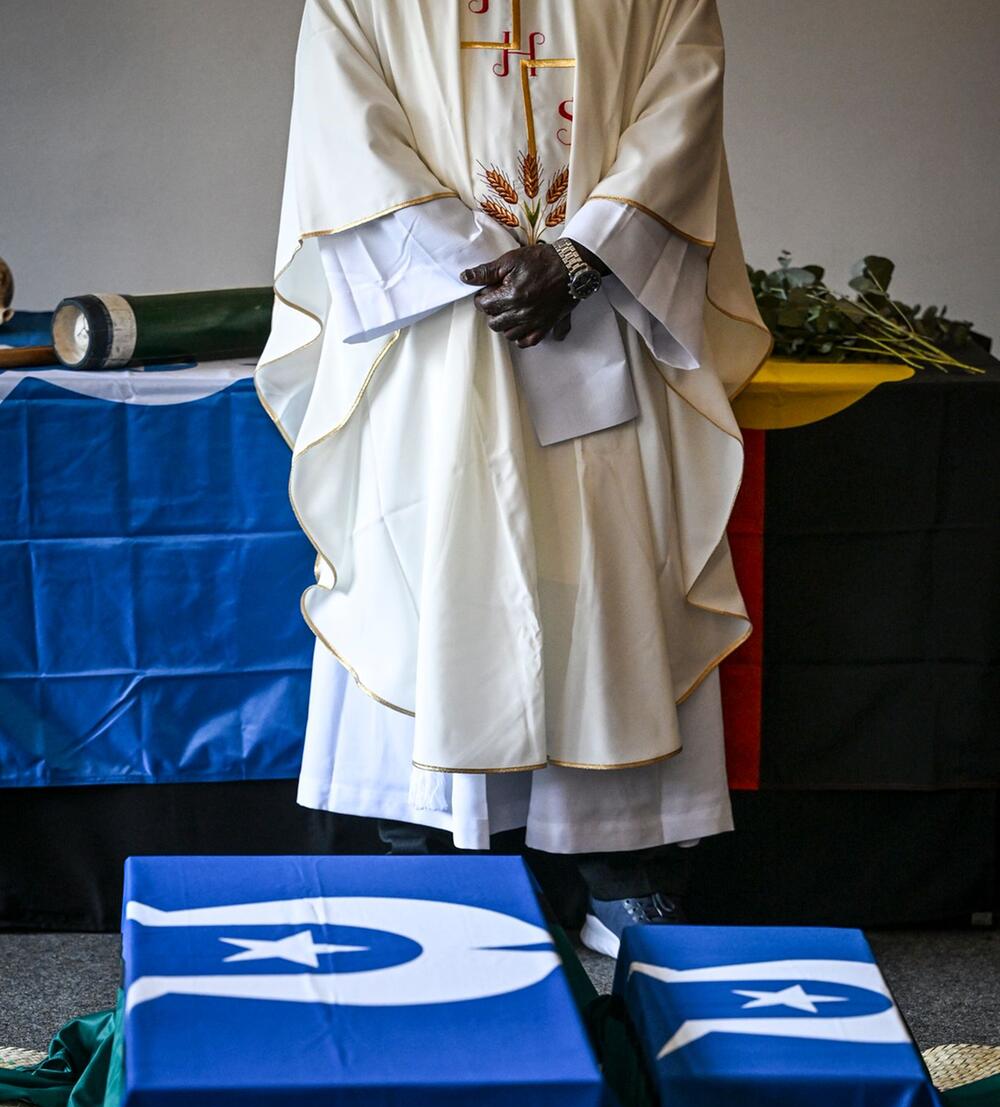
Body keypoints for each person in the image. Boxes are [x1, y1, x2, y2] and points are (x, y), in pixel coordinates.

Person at [256, 0, 772, 957]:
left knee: (611, 573)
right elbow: (347, 131)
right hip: (438, 335)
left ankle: (624, 865)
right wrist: (480, 265)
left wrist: (585, 255)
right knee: (437, 560)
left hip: (605, 310)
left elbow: (680, 108)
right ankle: (437, 861)